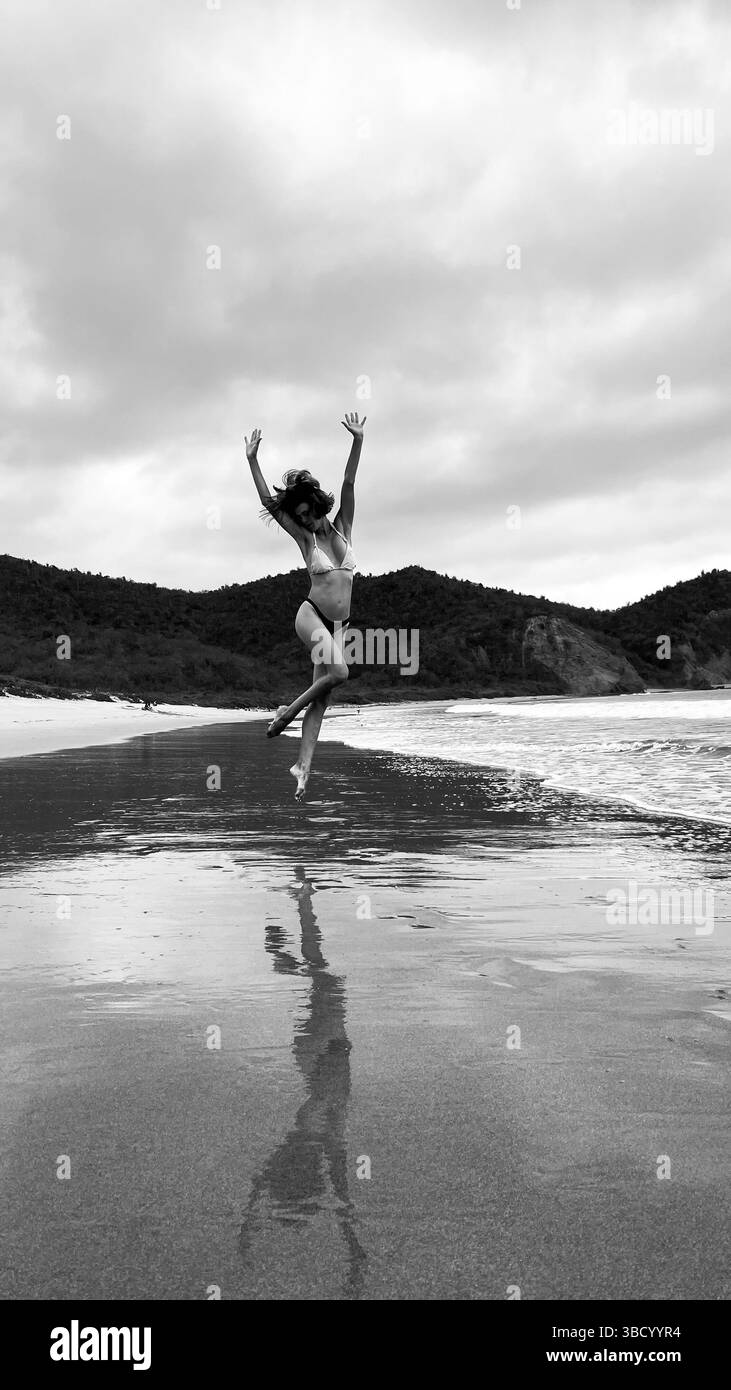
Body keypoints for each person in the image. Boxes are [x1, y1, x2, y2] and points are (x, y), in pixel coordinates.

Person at [245, 412, 366, 800]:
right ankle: (286, 713)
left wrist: (357, 441)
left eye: (308, 514)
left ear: (318, 506)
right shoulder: (305, 542)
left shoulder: (343, 527)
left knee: (324, 695)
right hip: (310, 615)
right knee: (341, 673)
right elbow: (269, 501)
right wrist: (252, 461)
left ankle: (302, 768)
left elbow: (348, 482)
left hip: (339, 626)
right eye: (299, 518)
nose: (306, 522)